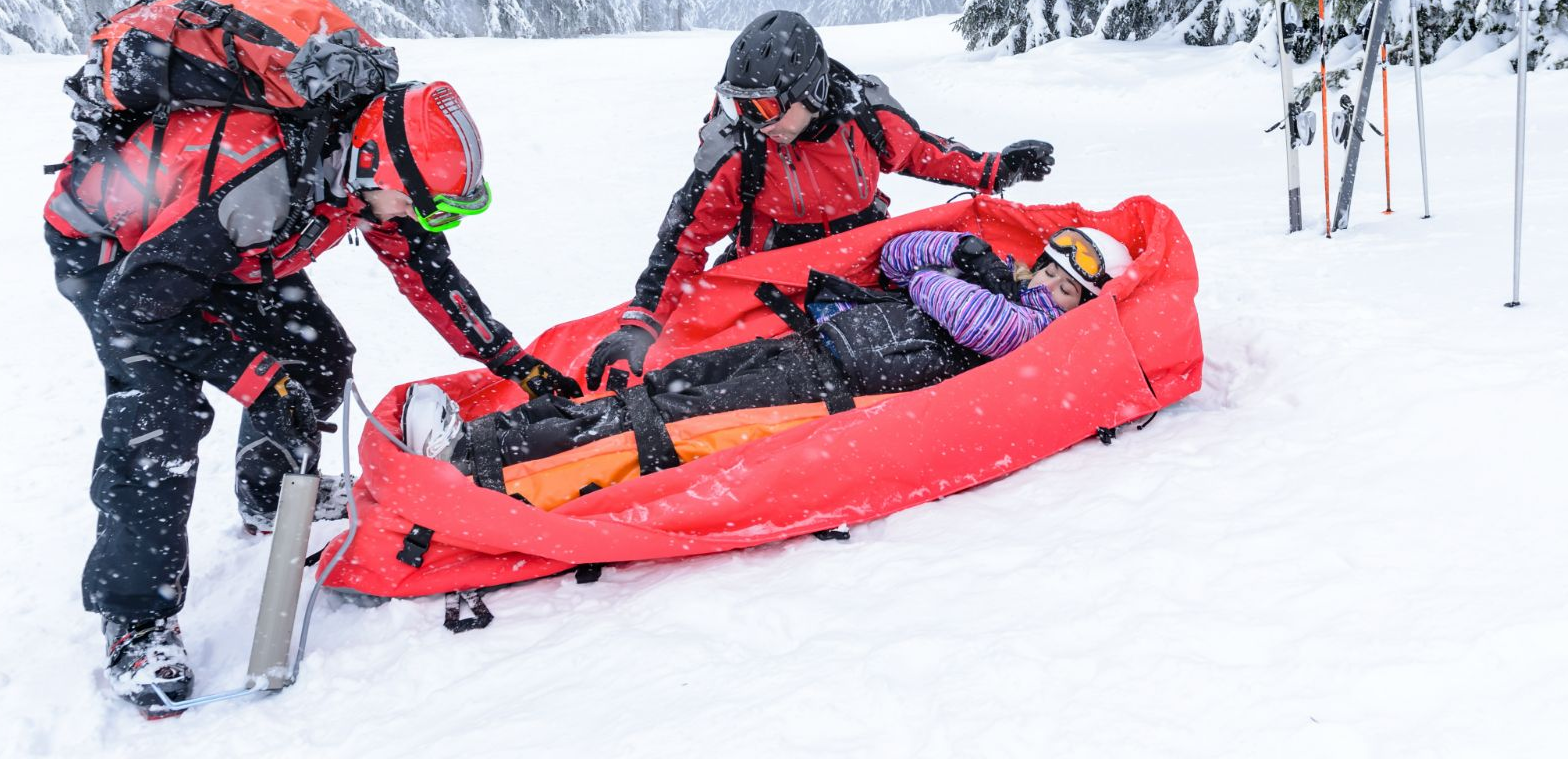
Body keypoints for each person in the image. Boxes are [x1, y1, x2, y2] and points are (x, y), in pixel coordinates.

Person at [44, 79, 577, 716]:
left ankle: (270, 494)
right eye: (421, 204)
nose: (419, 218)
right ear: (376, 165)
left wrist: (509, 358)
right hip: (121, 259)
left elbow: (429, 272)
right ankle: (136, 621)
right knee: (161, 421)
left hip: (221, 246)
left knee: (316, 357)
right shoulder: (262, 182)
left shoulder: (357, 171)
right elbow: (136, 308)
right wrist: (257, 375)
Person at [402, 226, 1134, 484]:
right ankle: (493, 438)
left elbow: (959, 313)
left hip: (837, 387)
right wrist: (959, 247)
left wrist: (949, 273)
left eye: (1068, 287)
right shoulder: (1003, 281)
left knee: (662, 424)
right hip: (821, 351)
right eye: (1048, 268)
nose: (1047, 285)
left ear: (1082, 305)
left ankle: (476, 461)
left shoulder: (1038, 335)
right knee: (662, 389)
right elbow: (902, 257)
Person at [586, 10, 1057, 390]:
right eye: (738, 104)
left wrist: (996, 169)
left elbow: (919, 151)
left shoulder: (864, 114)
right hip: (775, 279)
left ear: (808, 90)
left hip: (867, 264)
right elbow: (683, 240)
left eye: (765, 107)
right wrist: (641, 323)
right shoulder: (740, 148)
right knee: (751, 375)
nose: (752, 119)